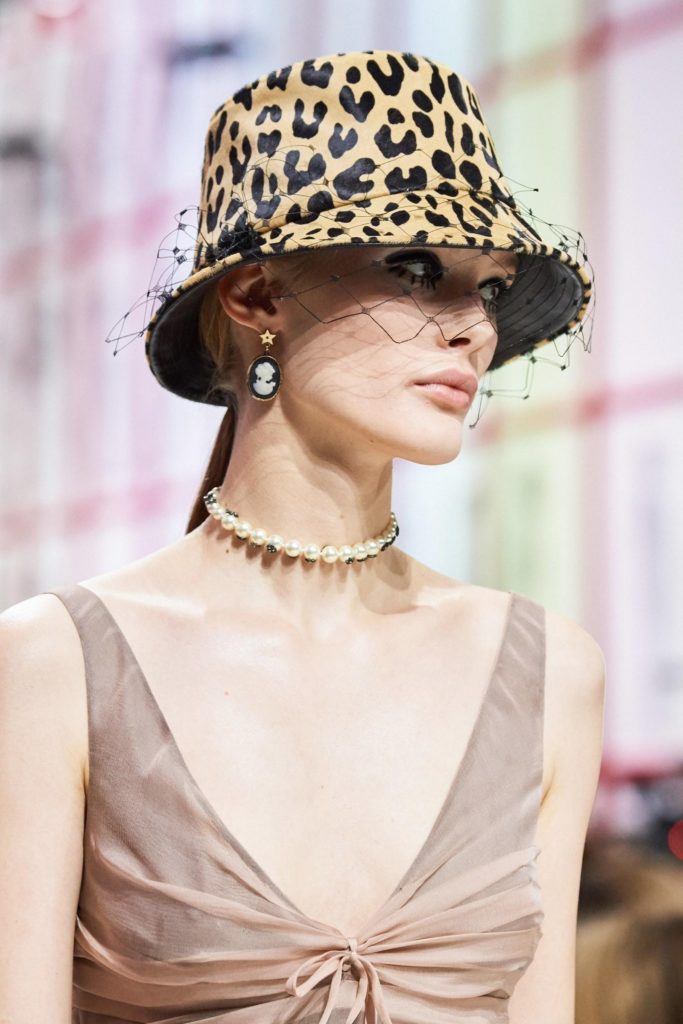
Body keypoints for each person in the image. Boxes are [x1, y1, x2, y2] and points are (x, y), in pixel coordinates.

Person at [0, 49, 605, 1023]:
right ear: (255, 298)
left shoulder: (545, 670)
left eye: (488, 288)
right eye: (415, 269)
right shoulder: (55, 664)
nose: (472, 329)